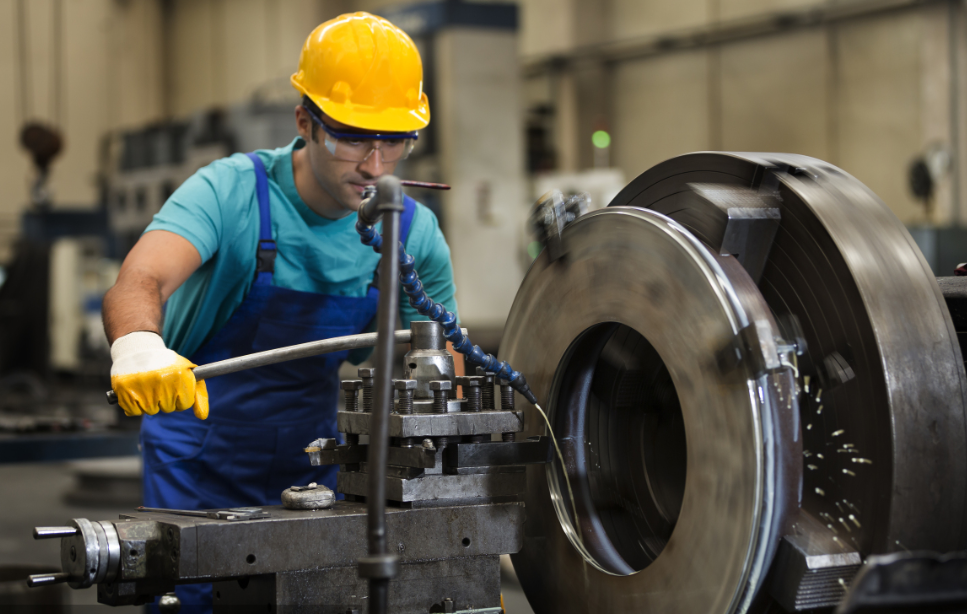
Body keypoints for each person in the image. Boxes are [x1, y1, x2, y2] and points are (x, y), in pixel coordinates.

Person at [102, 12, 459, 612]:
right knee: (194, 599)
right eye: (351, 137)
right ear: (305, 122)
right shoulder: (232, 192)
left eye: (393, 140)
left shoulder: (413, 232)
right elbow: (140, 279)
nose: (374, 166)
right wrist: (138, 346)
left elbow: (443, 353)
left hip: (314, 460)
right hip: (197, 457)